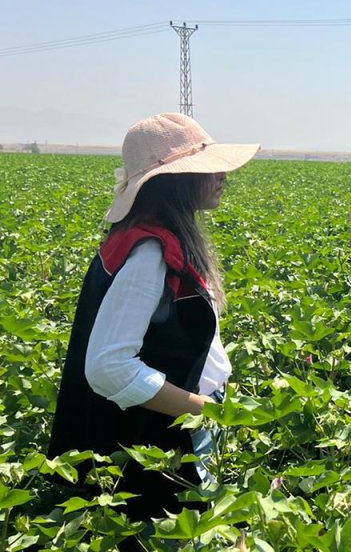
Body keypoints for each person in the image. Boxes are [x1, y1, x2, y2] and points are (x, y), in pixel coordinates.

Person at [48, 113, 259, 523]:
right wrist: (201, 409)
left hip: (174, 421)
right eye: (206, 169)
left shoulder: (152, 237)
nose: (221, 177)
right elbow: (108, 366)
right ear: (174, 181)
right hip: (161, 433)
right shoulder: (150, 253)